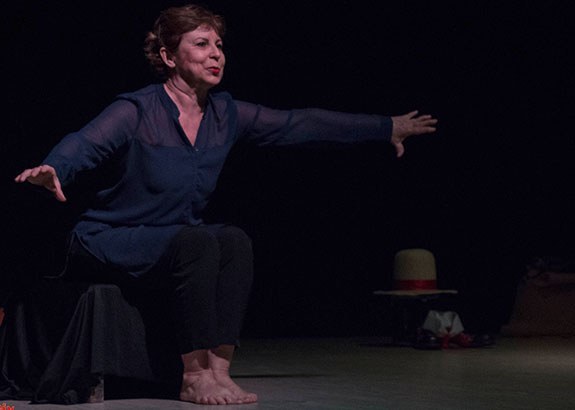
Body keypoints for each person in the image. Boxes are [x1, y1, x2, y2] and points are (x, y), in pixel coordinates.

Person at [14, 3, 437, 406]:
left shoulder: (225, 114)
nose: (216, 54)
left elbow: (299, 123)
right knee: (196, 242)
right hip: (107, 237)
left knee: (234, 241)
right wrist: (55, 167)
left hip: (169, 238)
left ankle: (218, 369)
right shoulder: (137, 110)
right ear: (169, 56)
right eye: (201, 44)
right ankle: (193, 375)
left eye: (219, 45)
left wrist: (385, 128)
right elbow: (85, 143)